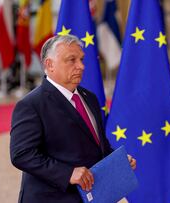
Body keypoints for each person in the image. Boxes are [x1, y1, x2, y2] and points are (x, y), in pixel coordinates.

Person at [10, 34, 136, 203]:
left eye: (81, 59)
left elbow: (98, 145)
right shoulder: (31, 105)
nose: (81, 66)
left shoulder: (89, 98)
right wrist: (67, 173)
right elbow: (22, 154)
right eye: (72, 60)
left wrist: (119, 162)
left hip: (91, 196)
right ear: (49, 64)